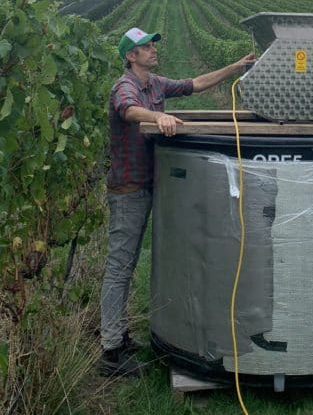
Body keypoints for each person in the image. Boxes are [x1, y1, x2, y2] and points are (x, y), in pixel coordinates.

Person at [99, 26, 256, 377]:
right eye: (146, 46)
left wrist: (235, 66)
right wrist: (158, 116)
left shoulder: (155, 84)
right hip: (128, 189)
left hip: (149, 185)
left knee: (130, 262)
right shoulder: (125, 86)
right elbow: (128, 110)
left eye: (154, 44)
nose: (154, 49)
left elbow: (194, 84)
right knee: (120, 266)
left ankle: (120, 336)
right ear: (130, 56)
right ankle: (110, 351)